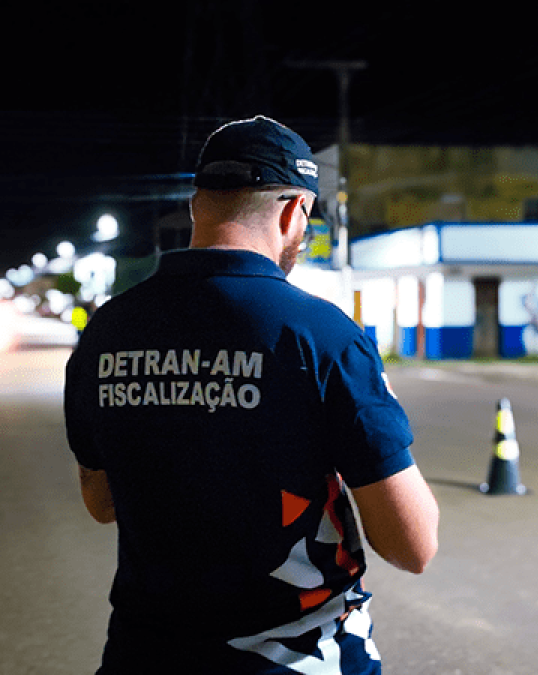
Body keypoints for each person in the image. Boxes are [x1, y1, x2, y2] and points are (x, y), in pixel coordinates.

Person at [64, 115, 439, 674]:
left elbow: (102, 504)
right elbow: (412, 545)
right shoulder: (323, 336)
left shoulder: (107, 332)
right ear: (294, 212)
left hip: (144, 656)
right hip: (294, 660)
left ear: (197, 206)